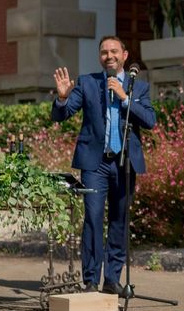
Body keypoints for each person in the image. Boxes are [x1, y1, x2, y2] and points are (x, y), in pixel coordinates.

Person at [51, 35, 156, 296]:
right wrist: (63, 98)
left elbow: (150, 121)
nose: (108, 56)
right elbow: (62, 115)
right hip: (95, 164)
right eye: (103, 52)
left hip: (124, 163)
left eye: (113, 51)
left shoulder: (138, 88)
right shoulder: (87, 82)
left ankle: (111, 279)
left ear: (124, 55)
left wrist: (124, 97)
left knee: (119, 221)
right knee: (94, 219)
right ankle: (90, 280)